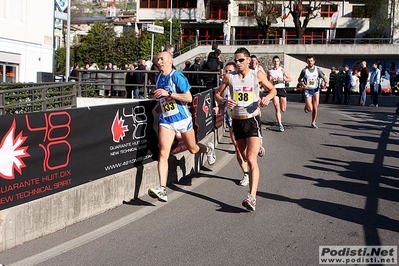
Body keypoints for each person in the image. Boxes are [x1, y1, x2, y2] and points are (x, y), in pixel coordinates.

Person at [147, 51, 216, 202]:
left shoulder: (176, 76)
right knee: (163, 153)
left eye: (162, 59)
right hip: (166, 120)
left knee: (193, 149)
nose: (159, 61)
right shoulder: (158, 77)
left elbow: (188, 97)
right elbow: (164, 97)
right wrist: (160, 104)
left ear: (170, 61)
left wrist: (169, 93)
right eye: (157, 59)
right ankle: (162, 189)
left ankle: (208, 148)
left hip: (183, 119)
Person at [215, 47, 277, 211]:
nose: (238, 62)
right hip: (237, 121)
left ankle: (252, 197)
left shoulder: (256, 74)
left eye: (241, 59)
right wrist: (223, 102)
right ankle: (257, 147)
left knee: (251, 159)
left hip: (252, 120)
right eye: (235, 60)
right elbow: (217, 94)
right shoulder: (230, 76)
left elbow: (273, 89)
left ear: (249, 60)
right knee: (242, 154)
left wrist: (267, 98)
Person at [212, 62, 249, 186]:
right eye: (226, 71)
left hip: (247, 117)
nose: (227, 73)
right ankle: (246, 174)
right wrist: (219, 106)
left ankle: (258, 145)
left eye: (230, 71)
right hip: (232, 118)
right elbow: (218, 97)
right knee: (238, 147)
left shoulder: (244, 81)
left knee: (249, 147)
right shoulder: (223, 84)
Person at [298, 55, 328, 129]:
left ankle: (313, 122)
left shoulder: (318, 70)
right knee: (310, 109)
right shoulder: (304, 71)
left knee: (315, 107)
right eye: (308, 61)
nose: (310, 62)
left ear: (314, 61)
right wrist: (303, 85)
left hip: (316, 90)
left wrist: (325, 83)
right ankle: (307, 106)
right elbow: (299, 80)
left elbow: (324, 78)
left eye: (311, 61)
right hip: (307, 91)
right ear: (306, 62)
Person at [267, 55, 292, 132]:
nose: (276, 63)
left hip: (281, 89)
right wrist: (270, 80)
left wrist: (283, 79)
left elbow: (290, 79)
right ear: (272, 62)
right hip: (274, 89)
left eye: (277, 61)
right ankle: (280, 125)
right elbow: (267, 81)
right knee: (277, 107)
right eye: (274, 61)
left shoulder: (282, 70)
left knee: (283, 109)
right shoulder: (269, 71)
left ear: (279, 62)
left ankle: (280, 118)